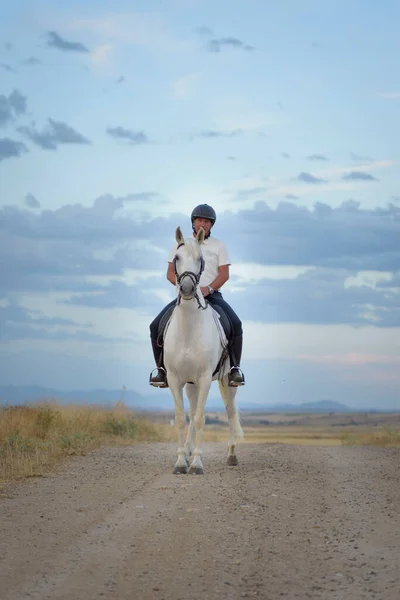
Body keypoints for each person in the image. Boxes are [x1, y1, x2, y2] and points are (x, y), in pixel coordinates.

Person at [149, 204, 245, 388]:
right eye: (199, 220)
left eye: (207, 221)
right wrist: (184, 288)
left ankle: (234, 369)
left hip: (211, 296)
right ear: (193, 222)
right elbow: (170, 273)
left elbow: (224, 274)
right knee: (155, 326)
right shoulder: (180, 244)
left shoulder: (218, 245)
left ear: (211, 225)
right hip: (185, 296)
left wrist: (208, 289)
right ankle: (161, 371)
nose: (203, 224)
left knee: (236, 323)